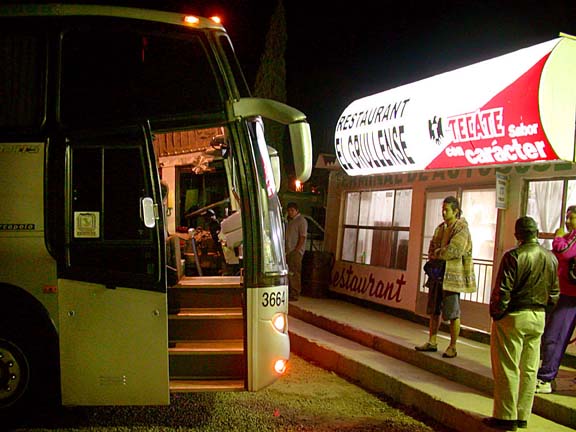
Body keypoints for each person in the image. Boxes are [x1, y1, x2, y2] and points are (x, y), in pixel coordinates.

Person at [484, 216, 559, 431]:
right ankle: (523, 415)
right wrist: (544, 311)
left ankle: (505, 416)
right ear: (535, 233)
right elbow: (554, 294)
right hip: (539, 318)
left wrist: (497, 314)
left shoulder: (513, 256)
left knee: (507, 367)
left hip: (514, 316)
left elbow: (503, 292)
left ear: (518, 235)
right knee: (529, 369)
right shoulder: (551, 259)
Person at [415, 195, 476, 358]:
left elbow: (455, 250)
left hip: (452, 277)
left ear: (456, 211)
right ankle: (432, 340)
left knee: (452, 313)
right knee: (434, 310)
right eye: (442, 209)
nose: (443, 212)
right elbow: (432, 247)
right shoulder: (440, 228)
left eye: (446, 209)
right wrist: (436, 253)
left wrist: (437, 253)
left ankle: (453, 346)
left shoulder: (461, 229)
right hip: (437, 275)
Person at [535, 205, 576, 394]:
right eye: (567, 217)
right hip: (565, 292)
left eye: (572, 218)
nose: (567, 222)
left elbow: (564, 251)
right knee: (553, 336)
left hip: (570, 296)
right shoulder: (569, 237)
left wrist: (557, 237)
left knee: (555, 336)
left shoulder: (567, 239)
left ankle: (545, 379)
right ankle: (546, 376)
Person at [285, 202, 307, 301]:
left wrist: (297, 250)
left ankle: (295, 293)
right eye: (289, 210)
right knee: (290, 273)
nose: (290, 212)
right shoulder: (290, 221)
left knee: (294, 273)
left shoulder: (301, 221)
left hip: (295, 252)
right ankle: (290, 292)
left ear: (297, 210)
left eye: (292, 210)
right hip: (289, 251)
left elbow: (302, 237)